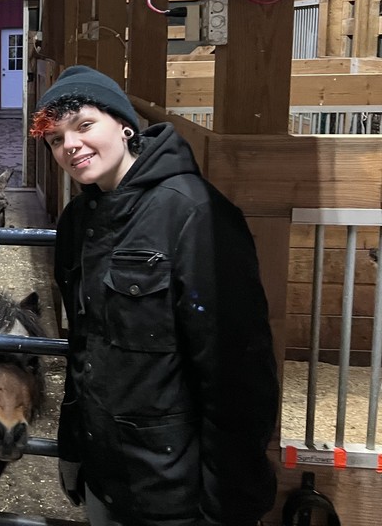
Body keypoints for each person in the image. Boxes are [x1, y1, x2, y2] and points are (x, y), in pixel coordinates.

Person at [31, 65, 279, 526]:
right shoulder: (77, 222)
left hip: (175, 488)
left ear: (124, 125)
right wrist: (74, 448)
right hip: (108, 471)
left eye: (85, 125)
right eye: (56, 138)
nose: (70, 145)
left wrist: (230, 500)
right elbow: (83, 348)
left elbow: (237, 368)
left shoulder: (194, 213)